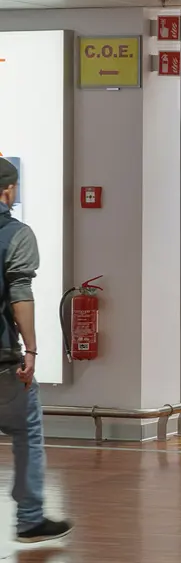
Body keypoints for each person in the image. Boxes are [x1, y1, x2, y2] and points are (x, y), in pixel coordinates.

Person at [0, 158, 72, 543]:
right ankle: (29, 518)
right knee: (26, 429)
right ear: (9, 190)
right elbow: (19, 294)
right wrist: (31, 350)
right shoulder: (16, 234)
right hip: (2, 361)